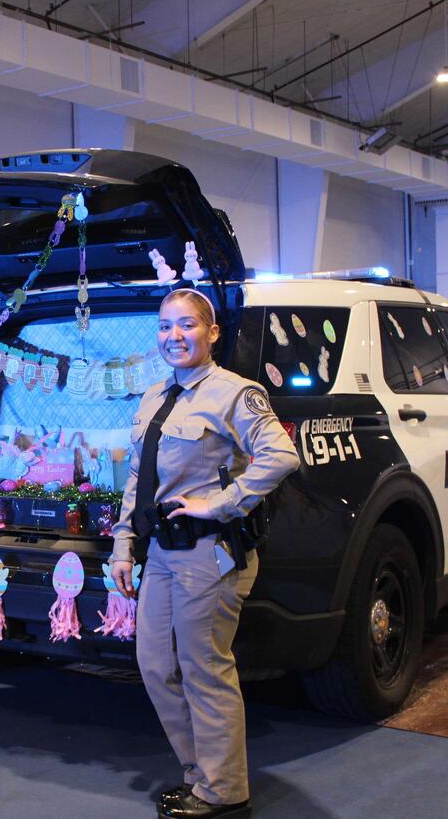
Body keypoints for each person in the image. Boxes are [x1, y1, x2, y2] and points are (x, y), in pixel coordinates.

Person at [109, 288, 299, 818]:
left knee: (203, 669)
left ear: (212, 333)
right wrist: (124, 546)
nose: (175, 336)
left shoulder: (235, 394)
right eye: (165, 327)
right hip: (162, 555)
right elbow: (136, 479)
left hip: (209, 556)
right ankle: (200, 776)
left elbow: (281, 454)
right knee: (154, 665)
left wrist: (221, 504)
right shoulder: (153, 397)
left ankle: (224, 791)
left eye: (187, 325)